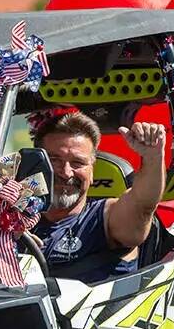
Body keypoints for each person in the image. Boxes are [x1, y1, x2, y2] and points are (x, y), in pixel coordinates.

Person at [31, 110, 166, 283]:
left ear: (92, 171)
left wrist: (153, 157)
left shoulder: (106, 216)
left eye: (77, 163)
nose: (65, 172)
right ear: (36, 164)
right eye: (54, 160)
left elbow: (143, 205)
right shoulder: (12, 218)